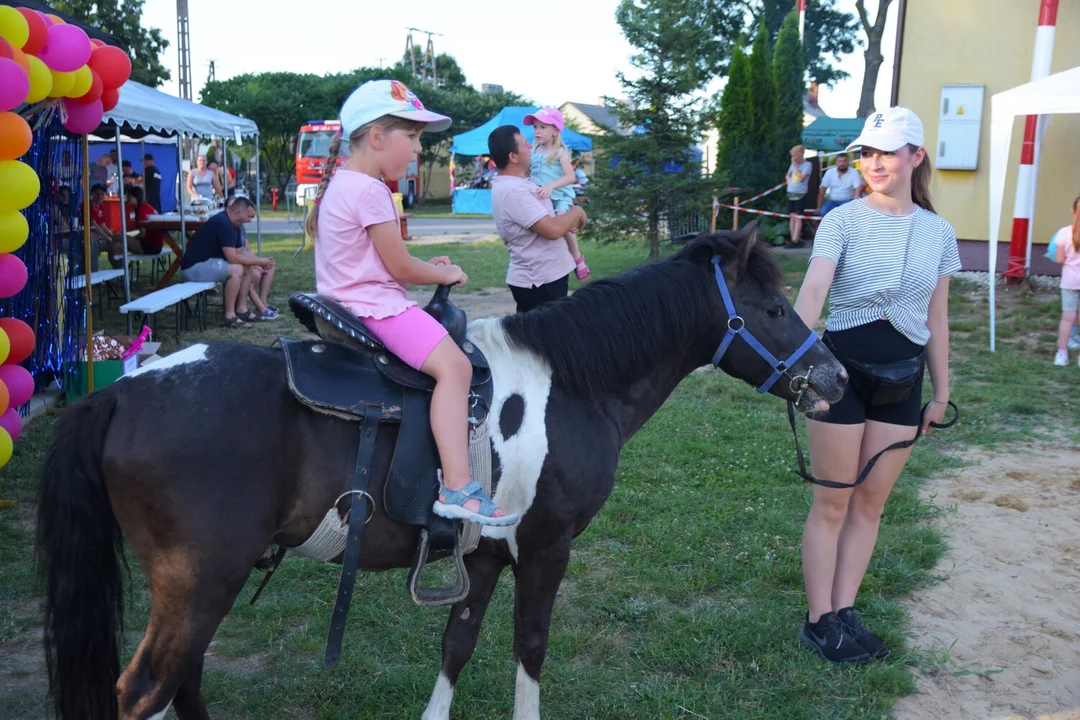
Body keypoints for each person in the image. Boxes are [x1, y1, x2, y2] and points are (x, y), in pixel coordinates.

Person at [305, 78, 517, 527]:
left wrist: (426, 262)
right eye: (413, 136)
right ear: (378, 137)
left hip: (349, 300)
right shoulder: (371, 191)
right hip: (374, 309)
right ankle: (458, 485)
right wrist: (443, 273)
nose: (419, 149)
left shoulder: (344, 183)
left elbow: (378, 260)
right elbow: (399, 270)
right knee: (455, 368)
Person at [792, 107, 961, 664]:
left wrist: (940, 393)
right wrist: (796, 362)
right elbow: (815, 291)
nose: (875, 163)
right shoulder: (842, 220)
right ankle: (820, 622)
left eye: (887, 151)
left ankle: (844, 610)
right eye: (867, 152)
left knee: (870, 504)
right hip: (840, 377)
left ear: (916, 156)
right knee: (833, 503)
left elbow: (936, 317)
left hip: (903, 383)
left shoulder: (939, 232)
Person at [487, 125, 587, 314]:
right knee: (544, 340)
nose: (532, 147)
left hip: (548, 277)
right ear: (513, 157)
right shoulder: (513, 191)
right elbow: (552, 230)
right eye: (526, 145)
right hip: (540, 283)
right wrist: (577, 212)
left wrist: (566, 218)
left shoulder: (522, 182)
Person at [523, 108, 590, 280]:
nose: (537, 131)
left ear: (555, 131)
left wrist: (552, 185)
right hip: (541, 195)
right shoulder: (533, 151)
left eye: (543, 127)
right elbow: (528, 171)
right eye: (535, 127)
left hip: (559, 195)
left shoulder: (560, 152)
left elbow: (570, 176)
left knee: (562, 218)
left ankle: (578, 258)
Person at [180, 196, 266, 328]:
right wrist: (259, 261)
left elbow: (239, 252)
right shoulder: (223, 223)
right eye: (249, 216)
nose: (250, 220)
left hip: (207, 263)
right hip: (193, 267)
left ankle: (242, 310)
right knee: (236, 270)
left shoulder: (235, 224)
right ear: (238, 212)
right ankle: (229, 316)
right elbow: (232, 258)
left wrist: (255, 262)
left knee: (247, 267)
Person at [228, 197, 279, 321]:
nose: (249, 219)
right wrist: (256, 262)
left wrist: (258, 260)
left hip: (241, 260)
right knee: (250, 273)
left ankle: (262, 301)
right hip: (233, 263)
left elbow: (245, 248)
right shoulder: (228, 225)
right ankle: (259, 308)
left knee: (269, 265)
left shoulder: (239, 226)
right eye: (249, 216)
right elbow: (233, 255)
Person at [1051, 196, 1080, 366]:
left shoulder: (1063, 233)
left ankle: (1062, 354)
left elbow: (1059, 259)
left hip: (1069, 282)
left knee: (1067, 318)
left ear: (1072, 211)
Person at [816, 153, 863, 217]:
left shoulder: (854, 172)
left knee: (845, 215)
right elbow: (822, 191)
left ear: (848, 162)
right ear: (836, 162)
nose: (842, 163)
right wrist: (818, 207)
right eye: (840, 161)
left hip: (848, 201)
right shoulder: (829, 172)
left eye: (844, 161)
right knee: (822, 212)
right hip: (832, 201)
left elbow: (858, 191)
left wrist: (855, 207)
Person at [786, 145, 813, 247]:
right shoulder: (792, 164)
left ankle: (796, 240)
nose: (793, 158)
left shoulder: (807, 165)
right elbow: (788, 174)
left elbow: (801, 177)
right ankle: (792, 238)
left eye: (795, 156)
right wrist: (789, 182)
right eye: (792, 156)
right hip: (791, 192)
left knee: (798, 217)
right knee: (791, 216)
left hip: (800, 194)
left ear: (800, 155)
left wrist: (796, 166)